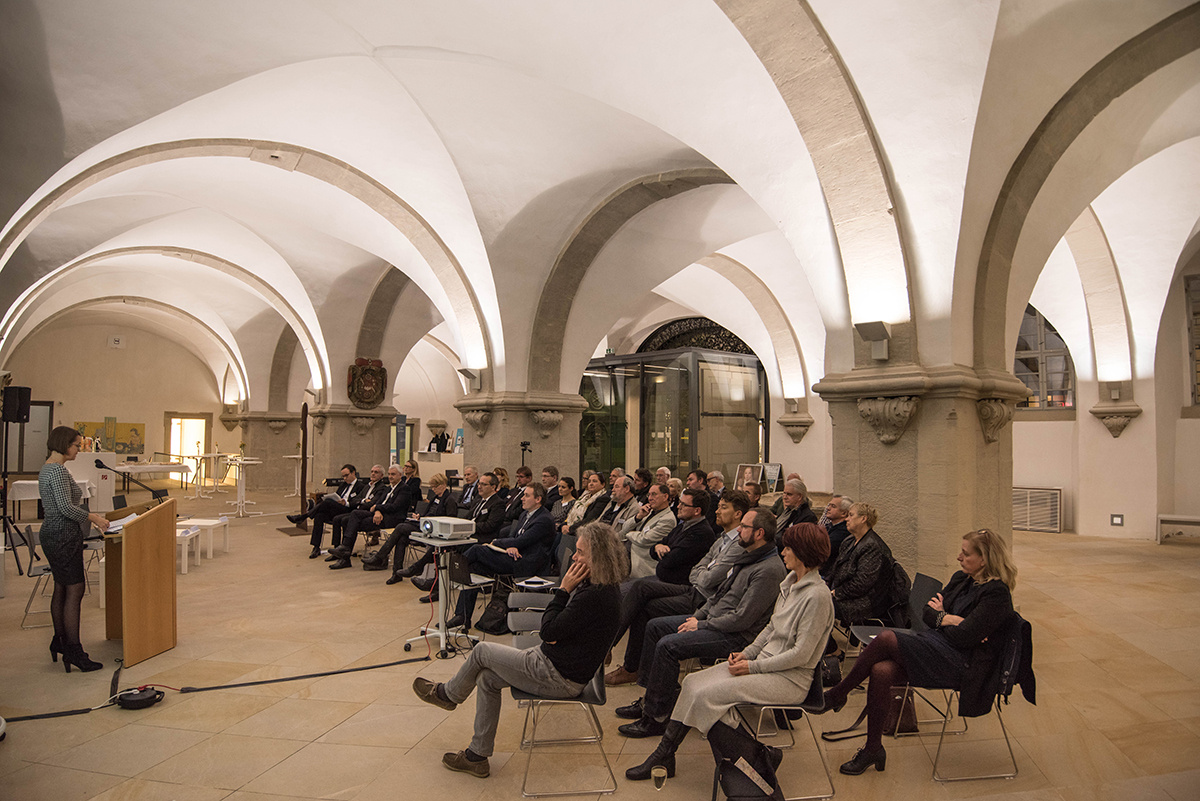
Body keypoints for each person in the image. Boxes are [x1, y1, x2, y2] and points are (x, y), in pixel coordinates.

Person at [412, 520, 628, 779]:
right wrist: (556, 631)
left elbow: (548, 631)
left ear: (598, 557)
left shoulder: (595, 596)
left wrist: (563, 590)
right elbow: (556, 633)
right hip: (554, 662)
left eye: (581, 553)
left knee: (481, 652)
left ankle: (447, 695)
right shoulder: (600, 586)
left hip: (558, 676)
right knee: (487, 678)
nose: (574, 558)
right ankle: (477, 757)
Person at [627, 522, 835, 782]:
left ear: (803, 552)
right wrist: (748, 654)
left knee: (709, 697)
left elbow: (801, 655)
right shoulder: (790, 582)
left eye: (789, 548)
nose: (783, 552)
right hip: (765, 665)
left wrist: (752, 666)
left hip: (790, 679)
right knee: (691, 683)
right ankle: (667, 755)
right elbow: (772, 628)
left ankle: (755, 756)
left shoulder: (817, 596)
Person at [821, 529, 1018, 776]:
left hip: (965, 665)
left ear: (985, 559)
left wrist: (943, 617)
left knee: (886, 638)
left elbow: (964, 637)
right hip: (940, 646)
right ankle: (873, 749)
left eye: (966, 554)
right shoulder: (962, 579)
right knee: (881, 670)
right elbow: (926, 612)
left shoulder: (996, 594)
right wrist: (950, 619)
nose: (959, 557)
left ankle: (839, 693)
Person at [615, 508, 787, 738]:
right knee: (655, 627)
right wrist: (697, 616)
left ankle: (656, 718)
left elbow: (742, 619)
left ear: (759, 533)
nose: (738, 530)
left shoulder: (768, 569)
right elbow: (718, 596)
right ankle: (653, 700)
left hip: (736, 636)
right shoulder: (748, 556)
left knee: (668, 645)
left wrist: (702, 625)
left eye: (744, 527)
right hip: (714, 621)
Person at [38, 426, 110, 673]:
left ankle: (60, 641)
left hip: (54, 534)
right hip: (62, 536)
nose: (79, 449)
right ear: (64, 444)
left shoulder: (49, 468)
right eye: (77, 445)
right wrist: (94, 517)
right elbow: (66, 508)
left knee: (62, 587)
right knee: (75, 590)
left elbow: (68, 501)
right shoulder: (57, 471)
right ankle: (74, 650)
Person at [448, 482, 556, 630]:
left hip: (527, 563)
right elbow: (515, 537)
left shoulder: (544, 519)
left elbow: (521, 541)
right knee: (474, 568)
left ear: (538, 499)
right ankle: (462, 616)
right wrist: (512, 546)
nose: (522, 498)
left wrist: (498, 542)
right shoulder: (525, 514)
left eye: (526, 495)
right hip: (515, 555)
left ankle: (451, 572)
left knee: (477, 550)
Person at [364, 472, 458, 577]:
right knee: (402, 539)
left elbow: (450, 519)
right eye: (432, 487)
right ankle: (396, 573)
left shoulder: (449, 500)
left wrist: (426, 520)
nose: (433, 489)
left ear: (443, 485)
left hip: (434, 530)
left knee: (400, 527)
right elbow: (429, 514)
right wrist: (419, 517)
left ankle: (380, 556)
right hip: (425, 525)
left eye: (435, 487)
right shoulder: (435, 498)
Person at [826, 502, 894, 626]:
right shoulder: (849, 540)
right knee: (814, 597)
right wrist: (826, 586)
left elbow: (862, 583)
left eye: (851, 515)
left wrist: (836, 593)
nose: (846, 519)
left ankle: (823, 638)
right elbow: (835, 568)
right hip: (846, 595)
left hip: (864, 602)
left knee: (817, 604)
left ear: (863, 519)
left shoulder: (872, 546)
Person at [288, 463, 369, 557]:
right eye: (343, 476)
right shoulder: (343, 485)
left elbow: (358, 502)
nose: (345, 478)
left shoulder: (360, 487)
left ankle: (304, 516)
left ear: (353, 473)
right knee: (319, 516)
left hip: (348, 510)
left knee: (327, 502)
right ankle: (316, 547)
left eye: (346, 475)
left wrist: (346, 502)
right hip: (337, 509)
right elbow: (337, 496)